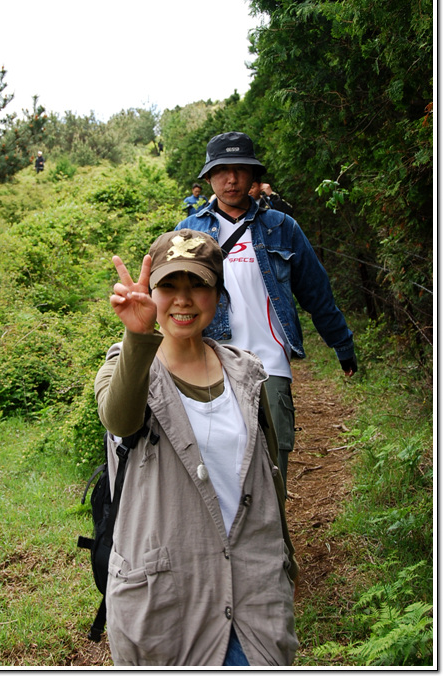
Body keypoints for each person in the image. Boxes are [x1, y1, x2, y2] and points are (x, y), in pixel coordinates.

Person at [94, 228, 299, 667]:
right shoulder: (125, 364)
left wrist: (283, 562)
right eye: (168, 286)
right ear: (151, 293)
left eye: (198, 285)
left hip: (254, 597)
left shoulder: (246, 372)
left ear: (218, 295)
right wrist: (137, 337)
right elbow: (120, 418)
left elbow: (266, 479)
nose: (183, 300)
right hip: (167, 605)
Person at [176, 132, 357, 490]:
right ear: (209, 177)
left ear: (253, 176)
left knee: (273, 471)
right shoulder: (188, 232)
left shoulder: (282, 228)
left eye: (240, 170)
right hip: (210, 364)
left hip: (269, 366)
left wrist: (342, 344)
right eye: (222, 171)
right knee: (217, 471)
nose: (232, 179)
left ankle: (274, 546)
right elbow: (174, 304)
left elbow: (316, 292)